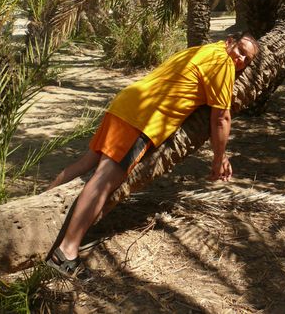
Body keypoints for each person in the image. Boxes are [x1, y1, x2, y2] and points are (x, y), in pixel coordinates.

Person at [46, 32, 260, 278]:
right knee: (104, 181)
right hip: (143, 119)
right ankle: (66, 252)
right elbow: (221, 117)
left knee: (86, 163)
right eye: (240, 49)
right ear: (229, 42)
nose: (240, 58)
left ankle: (39, 206)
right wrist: (219, 157)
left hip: (127, 104)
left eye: (247, 58)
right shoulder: (222, 63)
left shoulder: (202, 51)